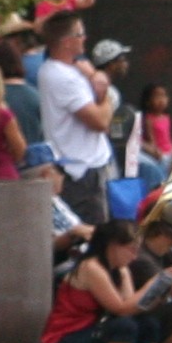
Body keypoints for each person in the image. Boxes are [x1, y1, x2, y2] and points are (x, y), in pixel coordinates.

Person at [38, 221, 172, 343]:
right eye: (131, 249)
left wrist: (162, 288)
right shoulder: (91, 267)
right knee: (124, 327)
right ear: (113, 246)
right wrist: (153, 284)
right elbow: (120, 309)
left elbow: (133, 306)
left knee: (147, 324)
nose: (134, 255)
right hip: (65, 342)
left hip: (92, 334)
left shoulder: (120, 269)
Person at [28, 12, 116, 218]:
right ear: (67, 42)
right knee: (93, 232)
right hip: (81, 171)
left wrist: (95, 77)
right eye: (80, 34)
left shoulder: (74, 70)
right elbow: (100, 121)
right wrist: (107, 96)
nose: (84, 38)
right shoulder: (61, 76)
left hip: (91, 164)